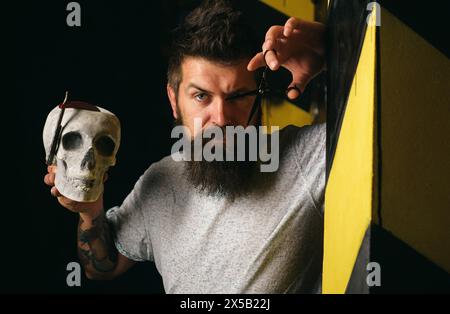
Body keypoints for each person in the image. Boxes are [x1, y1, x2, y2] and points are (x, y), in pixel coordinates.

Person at [44, 0, 326, 293]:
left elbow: (376, 132)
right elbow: (102, 267)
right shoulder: (159, 182)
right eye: (202, 97)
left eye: (239, 96)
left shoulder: (305, 157)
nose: (220, 118)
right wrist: (90, 212)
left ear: (260, 96)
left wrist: (333, 50)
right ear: (173, 100)